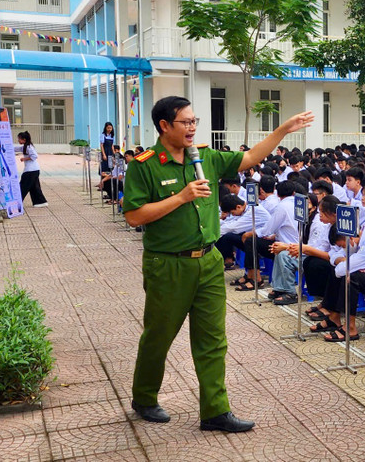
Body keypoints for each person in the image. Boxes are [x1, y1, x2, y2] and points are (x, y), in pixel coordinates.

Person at [122, 95, 312, 432]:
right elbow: (135, 216)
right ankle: (145, 396)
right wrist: (181, 196)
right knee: (159, 335)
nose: (193, 127)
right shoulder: (145, 164)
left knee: (213, 339)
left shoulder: (205, 157)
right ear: (165, 126)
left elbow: (251, 156)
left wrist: (283, 130)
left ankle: (215, 410)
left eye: (194, 121)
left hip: (208, 261)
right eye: (186, 122)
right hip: (168, 264)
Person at [17, 131, 48, 208]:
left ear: (24, 139)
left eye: (19, 139)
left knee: (23, 186)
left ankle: (17, 202)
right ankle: (40, 202)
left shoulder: (29, 147)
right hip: (34, 170)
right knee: (34, 187)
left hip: (31, 171)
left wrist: (25, 159)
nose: (18, 140)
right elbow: (16, 148)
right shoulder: (26, 146)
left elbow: (34, 156)